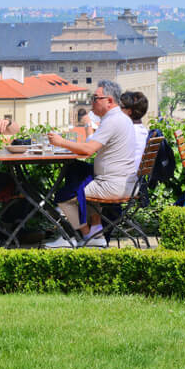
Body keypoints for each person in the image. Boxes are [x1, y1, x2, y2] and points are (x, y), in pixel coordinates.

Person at [45, 80, 138, 248]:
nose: (91, 102)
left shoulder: (112, 121)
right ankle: (95, 229)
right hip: (122, 181)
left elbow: (88, 150)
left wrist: (60, 142)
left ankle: (83, 234)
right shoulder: (118, 118)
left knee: (63, 196)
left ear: (109, 101)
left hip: (112, 184)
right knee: (75, 169)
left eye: (95, 98)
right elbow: (90, 146)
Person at [119, 91, 149, 161]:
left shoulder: (127, 133)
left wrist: (88, 123)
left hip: (125, 171)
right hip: (137, 170)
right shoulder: (143, 131)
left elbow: (96, 148)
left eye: (120, 107)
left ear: (129, 111)